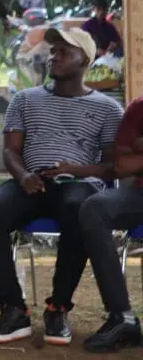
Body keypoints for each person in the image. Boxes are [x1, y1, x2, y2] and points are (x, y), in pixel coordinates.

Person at [0, 27, 122, 347]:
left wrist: (74, 169)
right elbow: (10, 151)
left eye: (63, 53)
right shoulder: (25, 99)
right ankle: (13, 309)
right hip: (31, 179)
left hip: (78, 183)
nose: (53, 57)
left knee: (78, 209)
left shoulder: (108, 108)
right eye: (52, 51)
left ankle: (58, 308)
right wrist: (23, 176)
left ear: (84, 60)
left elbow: (114, 166)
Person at [78, 96, 143, 353]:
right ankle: (122, 317)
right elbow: (121, 166)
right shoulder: (138, 108)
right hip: (139, 195)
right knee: (95, 208)